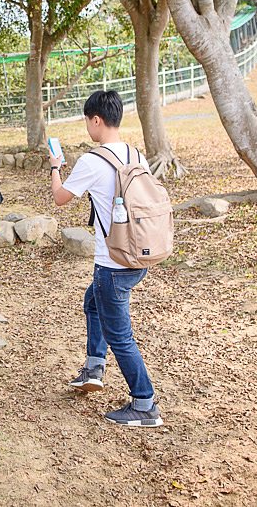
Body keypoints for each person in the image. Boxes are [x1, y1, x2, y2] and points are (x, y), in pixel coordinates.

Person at [48, 90, 163, 427]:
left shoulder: (91, 161)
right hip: (138, 255)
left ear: (96, 120)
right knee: (93, 303)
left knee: (120, 335)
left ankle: (144, 404)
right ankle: (94, 367)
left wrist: (55, 167)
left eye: (87, 121)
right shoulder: (135, 153)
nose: (87, 127)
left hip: (111, 263)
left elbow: (60, 198)